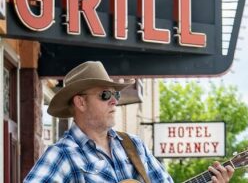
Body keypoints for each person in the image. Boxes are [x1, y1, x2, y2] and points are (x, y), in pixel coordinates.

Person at [24, 61, 234, 183]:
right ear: (80, 102)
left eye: (116, 94)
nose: (115, 100)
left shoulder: (133, 146)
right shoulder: (62, 155)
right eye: (105, 95)